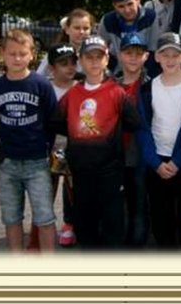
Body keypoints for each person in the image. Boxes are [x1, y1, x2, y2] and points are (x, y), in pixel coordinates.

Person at [52, 36, 140, 249]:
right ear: (81, 60)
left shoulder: (117, 93)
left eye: (98, 57)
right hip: (81, 172)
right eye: (88, 57)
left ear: (106, 59)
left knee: (112, 223)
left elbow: (133, 122)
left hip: (110, 172)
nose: (93, 62)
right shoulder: (72, 94)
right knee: (85, 225)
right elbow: (58, 123)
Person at [0, 29, 58, 253]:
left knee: (45, 217)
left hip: (37, 161)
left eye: (22, 53)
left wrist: (46, 149)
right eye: (12, 54)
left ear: (32, 55)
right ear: (3, 54)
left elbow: (52, 120)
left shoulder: (41, 85)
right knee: (11, 218)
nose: (17, 58)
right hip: (7, 163)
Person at [136, 32, 181, 250]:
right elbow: (143, 129)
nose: (170, 59)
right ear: (156, 57)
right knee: (161, 220)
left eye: (175, 54)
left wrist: (178, 161)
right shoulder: (147, 89)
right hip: (158, 163)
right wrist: (155, 163)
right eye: (165, 54)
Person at [115, 32, 151, 248]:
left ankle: (136, 247)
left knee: (138, 204)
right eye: (129, 53)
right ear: (120, 55)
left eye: (138, 54)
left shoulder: (150, 85)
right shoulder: (111, 85)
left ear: (146, 56)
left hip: (140, 156)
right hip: (115, 154)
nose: (133, 58)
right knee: (116, 205)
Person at [46, 44, 79, 247]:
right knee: (47, 189)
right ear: (52, 67)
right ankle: (44, 225)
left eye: (73, 62)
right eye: (63, 63)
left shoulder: (81, 87)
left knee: (72, 191)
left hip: (74, 147)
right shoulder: (45, 88)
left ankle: (69, 224)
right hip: (49, 148)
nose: (70, 67)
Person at [97, 0, 156, 73]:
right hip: (118, 73)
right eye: (121, 6)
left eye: (130, 4)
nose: (127, 10)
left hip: (148, 72)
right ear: (114, 6)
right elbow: (100, 49)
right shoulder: (107, 21)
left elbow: (155, 49)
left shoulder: (151, 17)